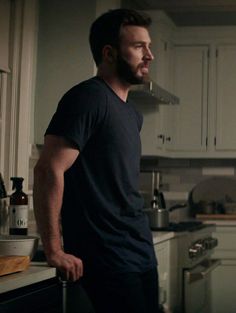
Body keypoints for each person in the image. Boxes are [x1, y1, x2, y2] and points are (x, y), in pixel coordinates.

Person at [33, 8, 160, 313]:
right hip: (108, 257)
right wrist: (53, 249)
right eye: (139, 46)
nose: (150, 55)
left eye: (149, 46)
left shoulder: (131, 114)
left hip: (140, 251)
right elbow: (48, 169)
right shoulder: (88, 98)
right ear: (110, 53)